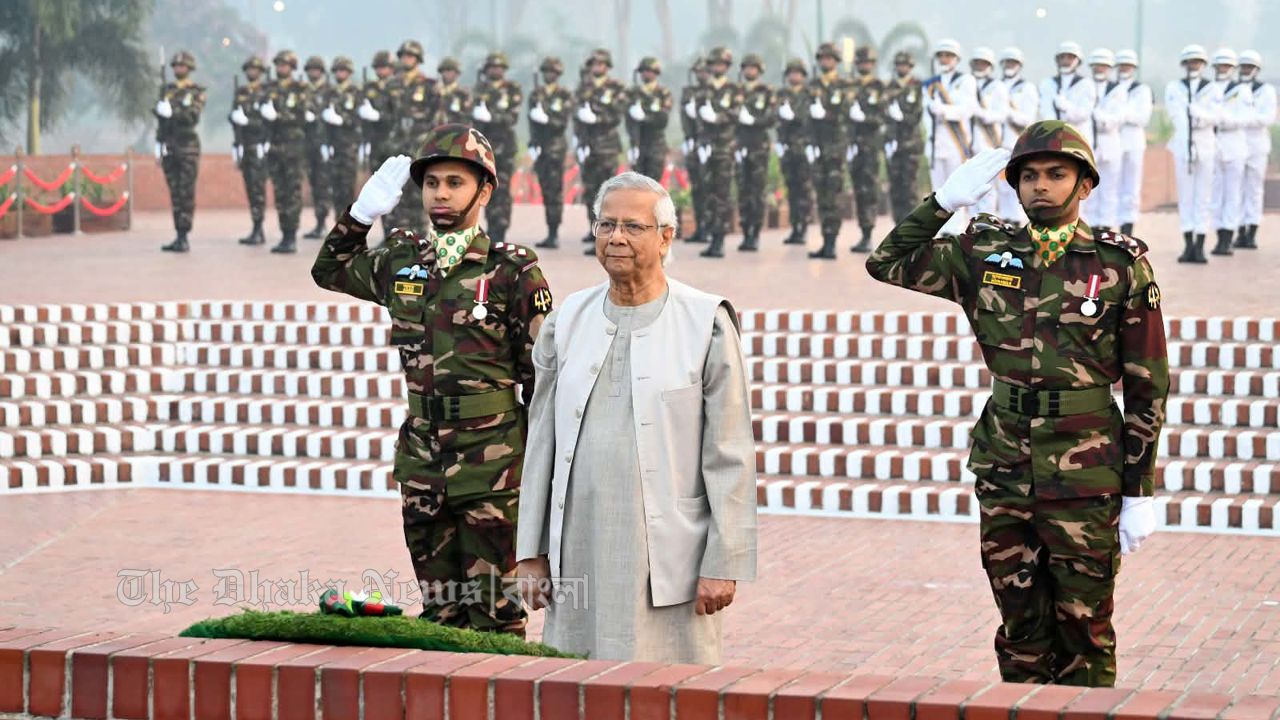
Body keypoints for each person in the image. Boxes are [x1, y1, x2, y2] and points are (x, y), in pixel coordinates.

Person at [867, 121, 1167, 687]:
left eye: (1057, 174)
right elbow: (885, 262)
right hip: (1006, 466)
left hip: (1087, 471)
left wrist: (1138, 490)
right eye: (1028, 176)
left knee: (1086, 632)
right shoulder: (982, 252)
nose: (1040, 187)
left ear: (1084, 186)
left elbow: (1148, 383)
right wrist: (943, 203)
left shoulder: (1119, 264)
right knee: (1019, 631)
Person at [311, 124, 552, 636]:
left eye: (455, 183)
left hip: (492, 462)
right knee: (438, 614)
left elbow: (542, 381)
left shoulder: (511, 270)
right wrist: (361, 215)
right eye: (432, 183)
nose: (440, 194)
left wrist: (534, 469)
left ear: (484, 190)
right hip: (423, 459)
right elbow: (329, 270)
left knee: (495, 615)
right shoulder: (403, 259)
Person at [515, 171, 757, 663]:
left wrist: (724, 561)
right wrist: (530, 551)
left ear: (666, 237)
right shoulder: (568, 320)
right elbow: (540, 440)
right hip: (577, 546)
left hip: (669, 555)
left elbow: (729, 452)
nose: (616, 237)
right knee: (574, 685)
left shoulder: (704, 322)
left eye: (633, 226)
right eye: (605, 225)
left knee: (670, 689)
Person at [1165, 44, 1221, 264]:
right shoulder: (1174, 87)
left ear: (1203, 64)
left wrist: (1197, 116)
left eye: (1197, 61)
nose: (1193, 65)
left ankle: (1200, 243)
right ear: (1184, 64)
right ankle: (1187, 242)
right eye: (1190, 61)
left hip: (1206, 145)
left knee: (1203, 197)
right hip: (1183, 145)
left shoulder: (1213, 88)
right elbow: (1176, 115)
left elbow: (1215, 115)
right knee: (1186, 197)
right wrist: (1191, 122)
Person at [383, 39, 439, 236]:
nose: (407, 59)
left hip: (420, 147)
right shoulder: (391, 84)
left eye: (411, 56)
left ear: (418, 59)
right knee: (396, 195)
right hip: (396, 147)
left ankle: (421, 238)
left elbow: (437, 118)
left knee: (418, 194)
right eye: (404, 55)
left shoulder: (430, 85)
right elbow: (386, 117)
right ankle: (396, 240)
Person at [259, 50, 312, 254]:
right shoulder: (269, 88)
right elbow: (262, 116)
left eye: (285, 65)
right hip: (274, 148)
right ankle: (284, 234)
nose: (281, 68)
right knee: (280, 192)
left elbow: (302, 116)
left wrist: (278, 116)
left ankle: (291, 235)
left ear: (292, 68)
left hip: (293, 148)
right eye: (279, 64)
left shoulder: (300, 89)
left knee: (292, 192)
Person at [923, 38, 977, 238]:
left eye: (949, 56)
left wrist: (944, 110)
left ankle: (955, 229)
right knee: (938, 189)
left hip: (956, 142)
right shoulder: (930, 84)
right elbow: (925, 117)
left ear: (956, 59)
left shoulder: (966, 81)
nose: (944, 59)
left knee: (957, 186)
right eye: (941, 56)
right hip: (936, 143)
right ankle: (940, 228)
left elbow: (968, 109)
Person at [575, 48, 627, 253]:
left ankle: (606, 234)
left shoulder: (615, 87)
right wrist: (578, 141)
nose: (597, 67)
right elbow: (577, 117)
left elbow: (617, 114)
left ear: (607, 66)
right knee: (590, 190)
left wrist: (597, 118)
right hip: (588, 147)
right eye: (594, 64)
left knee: (607, 193)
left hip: (607, 147)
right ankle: (594, 228)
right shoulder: (583, 88)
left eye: (601, 64)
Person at [155, 50, 206, 253]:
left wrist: (173, 112)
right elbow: (160, 121)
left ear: (189, 68)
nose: (178, 69)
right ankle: (178, 234)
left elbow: (193, 116)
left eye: (182, 66)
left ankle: (184, 234)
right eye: (175, 66)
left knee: (186, 192)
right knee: (175, 193)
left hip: (188, 147)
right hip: (170, 145)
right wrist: (158, 143)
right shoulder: (166, 90)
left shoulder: (196, 91)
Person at [472, 52, 523, 244]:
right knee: (485, 188)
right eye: (492, 67)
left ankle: (500, 229)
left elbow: (512, 117)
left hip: (505, 148)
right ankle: (489, 227)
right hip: (483, 148)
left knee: (501, 190)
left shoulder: (512, 89)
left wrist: (491, 116)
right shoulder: (479, 89)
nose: (496, 70)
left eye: (499, 67)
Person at [806, 42, 851, 259]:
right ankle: (825, 241)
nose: (825, 61)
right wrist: (809, 143)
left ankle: (832, 242)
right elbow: (805, 118)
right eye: (822, 58)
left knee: (833, 194)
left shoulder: (843, 85)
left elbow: (845, 114)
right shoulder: (813, 85)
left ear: (836, 61)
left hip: (835, 148)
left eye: (829, 58)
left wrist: (824, 114)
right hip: (818, 148)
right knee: (822, 195)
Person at [695, 46, 740, 259]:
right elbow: (699, 120)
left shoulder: (733, 89)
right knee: (709, 193)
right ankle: (712, 237)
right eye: (714, 64)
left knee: (722, 193)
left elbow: (736, 113)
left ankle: (720, 239)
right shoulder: (704, 90)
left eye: (721, 64)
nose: (717, 68)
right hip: (708, 147)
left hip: (724, 148)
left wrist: (718, 117)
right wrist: (701, 143)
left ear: (727, 66)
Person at [1209, 48, 1253, 256]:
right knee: (1216, 193)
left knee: (1233, 193)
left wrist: (1224, 119)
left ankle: (1228, 237)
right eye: (1220, 65)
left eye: (1227, 65)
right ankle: (1219, 236)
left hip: (1234, 142)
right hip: (1214, 142)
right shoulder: (1208, 88)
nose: (1223, 69)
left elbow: (1245, 117)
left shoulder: (1241, 90)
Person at [529, 56, 575, 249]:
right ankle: (549, 231)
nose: (549, 75)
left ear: (558, 75)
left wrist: (546, 118)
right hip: (541, 148)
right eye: (546, 72)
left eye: (553, 72)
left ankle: (554, 232)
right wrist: (533, 142)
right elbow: (531, 121)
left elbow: (562, 122)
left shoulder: (564, 95)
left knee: (555, 191)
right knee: (545, 189)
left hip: (555, 148)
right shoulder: (535, 94)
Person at [847, 46, 885, 253]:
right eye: (861, 62)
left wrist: (865, 118)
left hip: (870, 146)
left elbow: (882, 116)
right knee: (858, 190)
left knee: (868, 190)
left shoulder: (878, 87)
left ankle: (868, 234)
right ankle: (862, 233)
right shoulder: (849, 86)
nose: (864, 65)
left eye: (867, 62)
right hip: (853, 146)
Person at [735, 53, 774, 252]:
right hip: (740, 146)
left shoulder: (766, 91)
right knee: (743, 191)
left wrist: (753, 120)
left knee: (757, 191)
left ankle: (755, 233)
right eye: (747, 68)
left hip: (759, 147)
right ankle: (745, 232)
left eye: (753, 68)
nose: (750, 71)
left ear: (759, 70)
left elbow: (772, 117)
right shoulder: (736, 91)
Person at [1237, 50, 1275, 249]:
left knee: (1253, 190)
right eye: (1242, 66)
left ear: (1256, 69)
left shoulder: (1266, 91)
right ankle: (1238, 229)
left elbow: (1266, 118)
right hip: (1235, 144)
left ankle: (1251, 230)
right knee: (1236, 190)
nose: (1245, 70)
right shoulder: (1232, 89)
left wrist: (1242, 119)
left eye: (1249, 67)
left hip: (1257, 145)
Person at [230, 55, 269, 247]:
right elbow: (235, 121)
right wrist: (236, 144)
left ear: (260, 73)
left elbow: (267, 122)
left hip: (258, 146)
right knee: (250, 188)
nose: (251, 72)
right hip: (245, 146)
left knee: (257, 188)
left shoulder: (266, 93)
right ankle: (255, 227)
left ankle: (258, 227)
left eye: (255, 70)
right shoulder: (241, 92)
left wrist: (248, 122)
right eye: (249, 70)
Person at [997, 47, 1039, 226]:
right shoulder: (996, 86)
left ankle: (1016, 219)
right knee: (1001, 186)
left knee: (1016, 183)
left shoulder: (1027, 88)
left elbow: (1028, 118)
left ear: (1019, 65)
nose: (1009, 65)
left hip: (1017, 143)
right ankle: (1005, 219)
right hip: (996, 143)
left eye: (1013, 62)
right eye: (1007, 62)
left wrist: (1008, 113)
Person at [1087, 48, 1127, 232]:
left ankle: (1107, 229)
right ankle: (1092, 228)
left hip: (1110, 142)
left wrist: (1099, 117)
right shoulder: (1085, 86)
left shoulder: (1118, 90)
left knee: (1109, 189)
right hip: (1089, 143)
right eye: (1097, 65)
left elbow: (1117, 118)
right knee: (1089, 189)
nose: (1099, 69)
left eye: (1103, 66)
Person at [775, 58, 815, 243]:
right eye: (791, 73)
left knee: (804, 188)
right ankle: (795, 227)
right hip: (788, 147)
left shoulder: (809, 94)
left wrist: (796, 116)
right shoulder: (782, 93)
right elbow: (778, 120)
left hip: (803, 146)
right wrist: (780, 141)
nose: (794, 76)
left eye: (797, 72)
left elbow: (810, 118)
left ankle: (804, 226)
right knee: (792, 188)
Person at [884, 51, 925, 224]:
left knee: (910, 189)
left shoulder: (916, 86)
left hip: (910, 145)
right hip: (893, 145)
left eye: (905, 65)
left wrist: (902, 117)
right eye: (899, 65)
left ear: (910, 66)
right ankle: (897, 228)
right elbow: (882, 112)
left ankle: (911, 229)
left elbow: (916, 116)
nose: (901, 68)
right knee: (895, 189)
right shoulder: (889, 87)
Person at [1114, 49, 1152, 237]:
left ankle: (1127, 229)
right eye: (1121, 65)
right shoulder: (1111, 88)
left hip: (1134, 141)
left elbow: (1142, 117)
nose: (1124, 68)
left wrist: (1122, 114)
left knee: (1131, 187)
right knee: (1111, 186)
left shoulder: (1141, 90)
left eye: (1128, 65)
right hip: (1114, 141)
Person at [969, 47, 1008, 219]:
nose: (980, 66)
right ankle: (972, 224)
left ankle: (987, 224)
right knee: (970, 186)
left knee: (989, 186)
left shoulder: (998, 86)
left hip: (989, 141)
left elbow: (1002, 113)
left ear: (990, 66)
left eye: (983, 63)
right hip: (967, 143)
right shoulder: (966, 83)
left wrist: (983, 114)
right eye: (977, 62)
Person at [321, 56, 362, 215]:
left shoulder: (355, 92)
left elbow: (359, 119)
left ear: (349, 72)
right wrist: (324, 143)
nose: (340, 73)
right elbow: (323, 121)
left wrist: (342, 120)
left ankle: (349, 227)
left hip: (348, 147)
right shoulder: (329, 93)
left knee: (347, 188)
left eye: (344, 70)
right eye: (338, 70)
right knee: (335, 189)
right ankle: (339, 225)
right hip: (333, 146)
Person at [679, 57, 712, 244]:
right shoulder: (689, 92)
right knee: (697, 188)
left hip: (709, 145)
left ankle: (710, 228)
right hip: (694, 144)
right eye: (699, 71)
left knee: (710, 188)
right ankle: (700, 227)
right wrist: (689, 138)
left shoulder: (712, 91)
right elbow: (684, 117)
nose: (702, 75)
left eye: (705, 71)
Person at [625, 57, 673, 183]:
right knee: (638, 185)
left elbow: (663, 119)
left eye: (649, 71)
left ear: (655, 72)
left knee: (653, 184)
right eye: (643, 71)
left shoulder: (663, 93)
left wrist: (645, 118)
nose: (645, 74)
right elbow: (629, 122)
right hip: (639, 143)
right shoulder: (633, 93)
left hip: (656, 145)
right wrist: (632, 145)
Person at [1039, 42, 1095, 147]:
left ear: (1078, 61)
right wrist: (1055, 127)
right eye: (1062, 57)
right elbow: (1045, 110)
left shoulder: (1086, 84)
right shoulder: (1047, 83)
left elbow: (1083, 114)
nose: (1065, 61)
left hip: (1079, 139)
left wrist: (1065, 106)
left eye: (1070, 57)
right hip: (1054, 139)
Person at [302, 56, 333, 239]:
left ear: (321, 71)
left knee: (324, 184)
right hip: (307, 143)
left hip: (325, 143)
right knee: (314, 183)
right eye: (310, 70)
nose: (313, 73)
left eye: (316, 70)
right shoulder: (304, 90)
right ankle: (319, 222)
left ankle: (324, 221)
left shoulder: (329, 91)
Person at [358, 50, 396, 175]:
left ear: (391, 68)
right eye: (378, 67)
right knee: (376, 179)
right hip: (375, 140)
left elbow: (399, 115)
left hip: (394, 141)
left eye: (384, 67)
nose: (381, 71)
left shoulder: (397, 86)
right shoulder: (370, 87)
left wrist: (379, 116)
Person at [435, 57, 472, 125]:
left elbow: (466, 117)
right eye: (444, 70)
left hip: (453, 129)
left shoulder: (462, 94)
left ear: (456, 73)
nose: (447, 73)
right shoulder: (433, 90)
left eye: (450, 70)